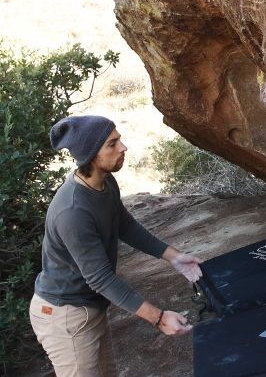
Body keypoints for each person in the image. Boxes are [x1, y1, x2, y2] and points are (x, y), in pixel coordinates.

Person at [29, 115, 204, 377]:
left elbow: (124, 225)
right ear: (91, 154)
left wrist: (174, 257)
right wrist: (158, 317)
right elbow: (100, 278)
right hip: (65, 315)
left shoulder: (104, 182)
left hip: (90, 309)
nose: (123, 147)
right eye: (112, 143)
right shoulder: (73, 211)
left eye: (119, 139)